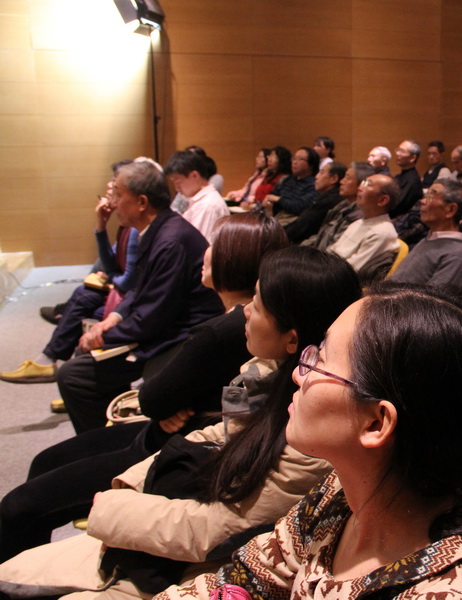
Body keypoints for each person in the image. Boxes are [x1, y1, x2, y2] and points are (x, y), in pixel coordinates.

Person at [0, 247, 362, 599]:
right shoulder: (271, 370)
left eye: (257, 304)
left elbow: (219, 528)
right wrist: (132, 486)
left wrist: (111, 506)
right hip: (181, 488)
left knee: (21, 525)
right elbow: (222, 432)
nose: (245, 311)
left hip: (195, 560)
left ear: (293, 339)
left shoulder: (308, 426)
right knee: (33, 500)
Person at [154, 283, 462, 600]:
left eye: (320, 359)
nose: (300, 374)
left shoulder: (457, 591)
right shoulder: (340, 492)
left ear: (376, 423)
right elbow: (242, 580)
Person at [0, 212, 289, 561]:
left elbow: (153, 399)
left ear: (234, 257)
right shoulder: (234, 321)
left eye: (215, 243)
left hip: (167, 449)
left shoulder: (225, 329)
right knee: (45, 461)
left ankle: (23, 574)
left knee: (17, 507)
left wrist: (172, 406)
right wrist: (171, 404)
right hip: (164, 431)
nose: (205, 250)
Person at [5, 160, 224, 433]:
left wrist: (103, 335)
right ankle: (116, 434)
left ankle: (108, 442)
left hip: (181, 338)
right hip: (164, 327)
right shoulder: (157, 230)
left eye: (118, 195)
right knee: (82, 358)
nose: (112, 203)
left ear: (141, 202)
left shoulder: (170, 241)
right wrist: (113, 319)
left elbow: (151, 318)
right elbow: (140, 290)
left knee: (74, 375)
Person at [2, 160, 140, 383]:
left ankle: (63, 370)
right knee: (82, 295)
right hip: (122, 291)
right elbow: (109, 263)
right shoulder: (126, 224)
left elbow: (127, 281)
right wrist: (101, 227)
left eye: (115, 188)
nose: (107, 192)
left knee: (87, 308)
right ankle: (55, 365)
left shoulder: (134, 230)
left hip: (130, 297)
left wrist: (110, 278)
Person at [390, 178, 462, 290]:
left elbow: (432, 299)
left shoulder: (456, 255)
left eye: (431, 196)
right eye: (426, 195)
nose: (422, 201)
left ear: (450, 210)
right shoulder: (430, 239)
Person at [326, 173, 400, 276]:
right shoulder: (358, 222)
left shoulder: (382, 233)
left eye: (368, 184)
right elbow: (332, 251)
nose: (360, 188)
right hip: (328, 268)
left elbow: (350, 270)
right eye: (363, 183)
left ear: (382, 200)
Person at [164, 150, 229, 242]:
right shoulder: (200, 201)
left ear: (194, 175)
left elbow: (198, 245)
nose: (176, 188)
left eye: (178, 182)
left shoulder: (206, 205)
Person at [264, 147, 320, 225]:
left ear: (311, 165)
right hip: (276, 217)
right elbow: (272, 194)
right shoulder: (288, 180)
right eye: (294, 158)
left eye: (300, 159)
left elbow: (299, 206)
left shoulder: (314, 184)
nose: (294, 162)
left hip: (294, 222)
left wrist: (278, 199)